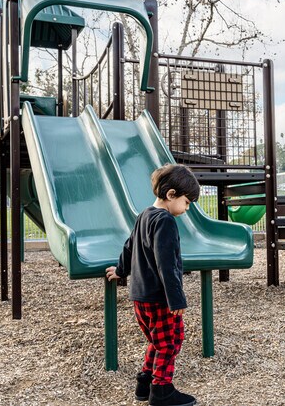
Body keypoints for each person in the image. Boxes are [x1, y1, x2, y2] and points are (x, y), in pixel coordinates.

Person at [106, 164, 199, 406]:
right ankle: (161, 390)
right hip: (160, 298)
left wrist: (120, 270)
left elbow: (129, 246)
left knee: (157, 341)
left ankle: (144, 383)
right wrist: (176, 298)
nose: (187, 208)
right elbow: (166, 264)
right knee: (171, 342)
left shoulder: (143, 215)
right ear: (171, 195)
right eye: (187, 202)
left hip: (140, 297)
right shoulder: (165, 221)